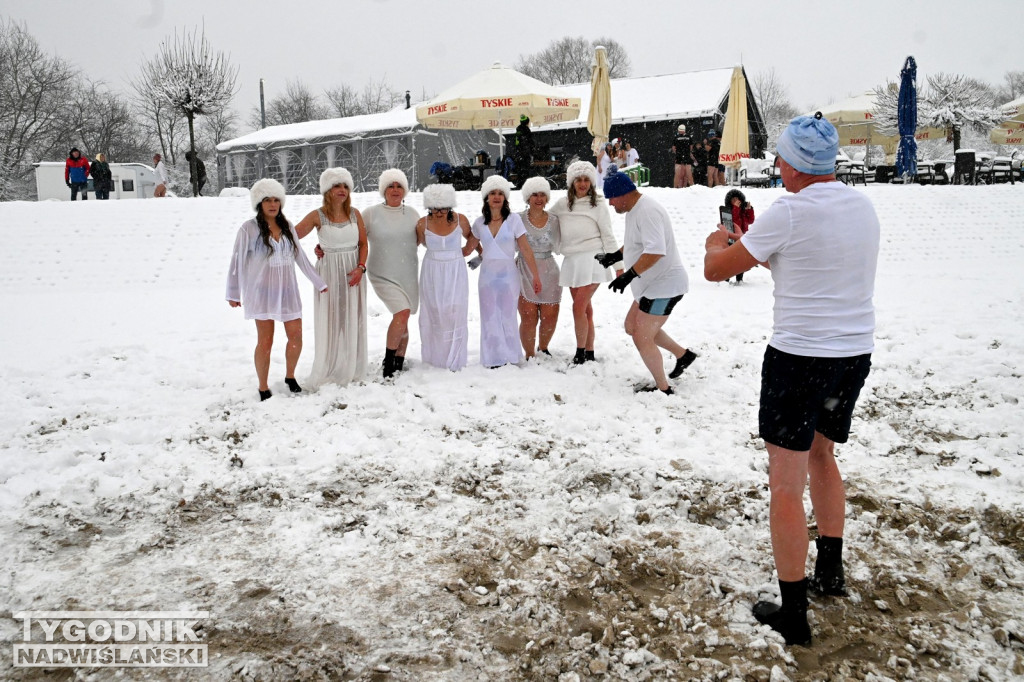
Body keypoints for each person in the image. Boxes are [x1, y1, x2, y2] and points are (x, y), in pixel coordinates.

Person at [703, 113, 880, 647]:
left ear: (798, 164)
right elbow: (812, 260)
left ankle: (794, 613)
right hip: (852, 354)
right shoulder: (863, 207)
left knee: (785, 481)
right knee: (823, 456)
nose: (776, 165)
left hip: (799, 359)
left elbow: (717, 269)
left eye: (780, 157)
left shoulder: (789, 210)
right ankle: (830, 570)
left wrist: (717, 242)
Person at [226, 179, 327, 401]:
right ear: (259, 204)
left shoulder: (288, 227)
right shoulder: (248, 229)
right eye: (267, 200)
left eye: (276, 200)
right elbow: (237, 262)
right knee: (265, 341)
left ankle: (290, 377)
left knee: (296, 336)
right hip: (261, 293)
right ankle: (263, 386)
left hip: (288, 291)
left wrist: (319, 282)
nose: (272, 204)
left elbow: (300, 257)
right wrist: (233, 293)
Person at [599, 171, 698, 394]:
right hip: (651, 286)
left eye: (611, 198)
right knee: (632, 326)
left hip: (665, 286)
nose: (610, 203)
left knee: (642, 336)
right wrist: (614, 256)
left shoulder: (648, 211)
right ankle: (683, 355)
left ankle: (664, 389)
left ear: (623, 194)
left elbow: (655, 251)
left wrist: (629, 274)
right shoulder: (634, 211)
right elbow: (636, 245)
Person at [295, 168, 368, 387]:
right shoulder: (318, 215)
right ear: (327, 190)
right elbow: (293, 235)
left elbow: (363, 244)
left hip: (353, 272)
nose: (342, 190)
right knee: (331, 318)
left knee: (352, 317)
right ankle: (329, 365)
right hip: (328, 273)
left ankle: (351, 365)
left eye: (346, 186)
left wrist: (361, 268)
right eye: (337, 185)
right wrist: (320, 249)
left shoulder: (355, 213)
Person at [549, 160, 620, 365]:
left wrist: (619, 267)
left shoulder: (598, 203)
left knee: (578, 307)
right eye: (578, 180)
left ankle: (580, 352)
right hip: (572, 261)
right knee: (585, 308)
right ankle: (589, 351)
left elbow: (608, 235)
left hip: (594, 258)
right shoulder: (562, 205)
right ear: (571, 182)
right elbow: (545, 220)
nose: (582, 184)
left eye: (586, 180)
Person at [471, 176, 542, 368]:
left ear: (505, 198)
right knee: (489, 315)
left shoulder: (513, 220)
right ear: (486, 198)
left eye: (500, 193)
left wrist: (535, 275)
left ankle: (510, 355)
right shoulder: (479, 223)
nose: (496, 197)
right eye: (493, 193)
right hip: (487, 277)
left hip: (508, 276)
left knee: (508, 315)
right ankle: (492, 357)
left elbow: (525, 249)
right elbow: (469, 246)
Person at [363, 168, 420, 378]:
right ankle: (389, 363)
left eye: (399, 186)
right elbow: (355, 238)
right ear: (383, 190)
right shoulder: (370, 214)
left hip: (408, 273)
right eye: (390, 186)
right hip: (382, 273)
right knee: (401, 312)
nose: (395, 190)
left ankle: (399, 361)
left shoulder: (413, 214)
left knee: (405, 317)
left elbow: (426, 238)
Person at [417, 183, 478, 371]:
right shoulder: (422, 223)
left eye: (443, 207)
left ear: (450, 206)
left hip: (455, 269)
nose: (439, 212)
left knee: (454, 310)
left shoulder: (461, 220)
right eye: (434, 208)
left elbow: (474, 237)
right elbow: (411, 245)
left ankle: (455, 357)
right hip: (432, 270)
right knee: (434, 311)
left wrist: (470, 252)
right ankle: (436, 357)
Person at [517, 176, 562, 359]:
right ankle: (529, 354)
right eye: (534, 195)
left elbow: (562, 244)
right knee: (528, 315)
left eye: (542, 194)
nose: (538, 199)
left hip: (549, 269)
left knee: (550, 315)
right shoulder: (517, 218)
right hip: (524, 269)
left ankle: (543, 348)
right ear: (528, 198)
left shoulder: (554, 220)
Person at [721, 188, 755, 282]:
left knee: (741, 260)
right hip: (731, 239)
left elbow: (750, 220)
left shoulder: (743, 211)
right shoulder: (728, 211)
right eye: (733, 199)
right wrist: (735, 208)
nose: (736, 201)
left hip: (742, 238)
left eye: (737, 198)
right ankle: (726, 278)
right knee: (730, 260)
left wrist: (749, 210)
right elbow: (733, 221)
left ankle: (739, 279)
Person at [513, 115, 534, 184]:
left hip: (518, 153)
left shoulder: (518, 130)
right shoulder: (526, 130)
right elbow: (529, 143)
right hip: (525, 154)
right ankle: (525, 184)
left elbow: (517, 143)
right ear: (527, 122)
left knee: (520, 170)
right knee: (526, 170)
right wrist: (531, 151)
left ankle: (520, 183)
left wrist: (518, 152)